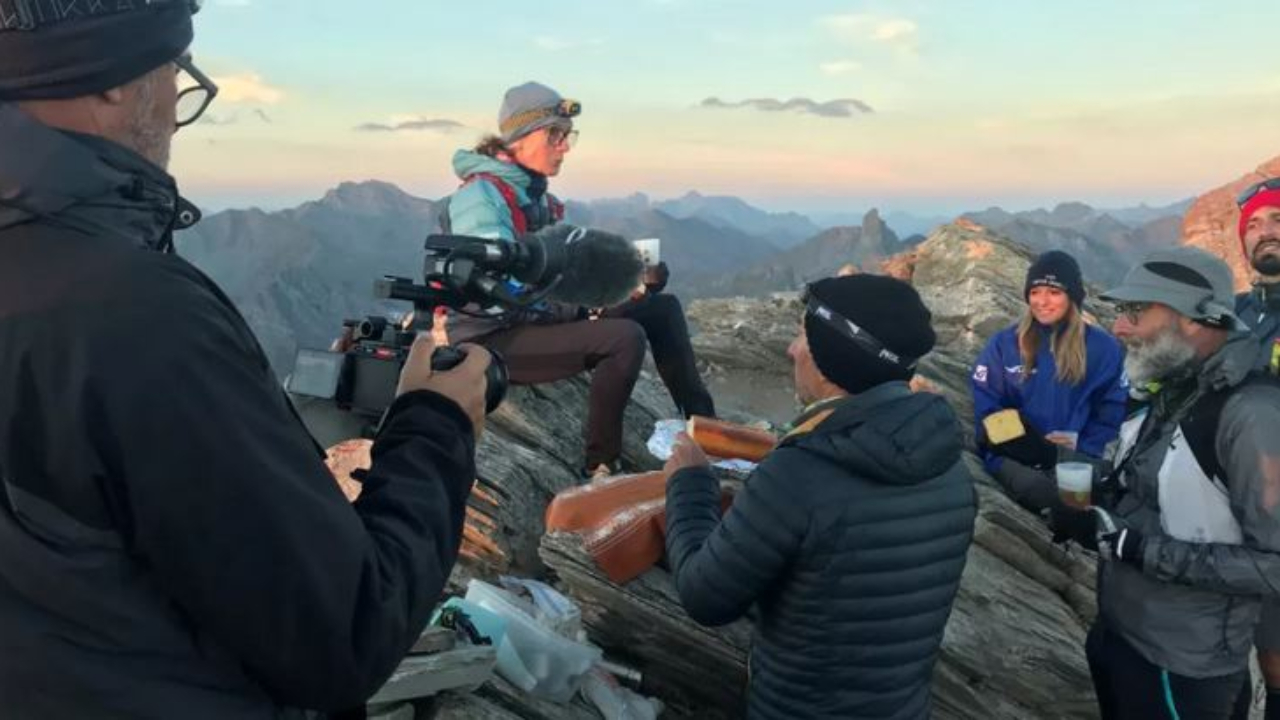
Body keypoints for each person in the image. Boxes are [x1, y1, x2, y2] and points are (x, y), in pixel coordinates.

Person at [0, 3, 491, 717]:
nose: (174, 104)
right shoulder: (131, 316)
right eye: (175, 68)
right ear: (107, 76)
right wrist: (435, 425)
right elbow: (345, 633)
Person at [663, 274, 977, 719]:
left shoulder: (799, 473)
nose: (792, 349)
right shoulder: (948, 464)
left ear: (833, 356)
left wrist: (690, 484)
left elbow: (704, 596)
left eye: (802, 335)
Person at [1050, 247, 1280, 720]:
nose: (1118, 328)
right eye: (1120, 312)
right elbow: (1154, 491)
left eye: (1136, 312)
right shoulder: (1173, 386)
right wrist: (1087, 509)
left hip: (1184, 666)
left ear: (1196, 319)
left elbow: (1272, 565)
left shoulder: (1251, 416)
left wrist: (1141, 550)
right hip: (1122, 635)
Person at [443, 81, 715, 477]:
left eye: (567, 135)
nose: (564, 146)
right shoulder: (481, 198)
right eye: (554, 134)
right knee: (623, 338)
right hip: (490, 338)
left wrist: (629, 279)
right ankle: (600, 466)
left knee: (661, 308)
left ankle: (706, 427)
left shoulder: (534, 198)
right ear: (520, 137)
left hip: (534, 320)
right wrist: (579, 306)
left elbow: (567, 267)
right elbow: (495, 287)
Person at [971, 251, 1128, 512]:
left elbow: (1114, 410)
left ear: (1072, 297)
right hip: (1013, 457)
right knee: (1045, 496)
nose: (1042, 301)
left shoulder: (1103, 348)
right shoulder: (1004, 345)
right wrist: (1028, 443)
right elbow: (987, 405)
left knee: (1083, 513)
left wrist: (1080, 442)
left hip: (1077, 459)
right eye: (1035, 292)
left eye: (1054, 292)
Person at [1232, 177, 1280, 720]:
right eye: (1254, 226)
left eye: (1277, 221)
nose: (1265, 233)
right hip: (1231, 510)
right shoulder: (1236, 313)